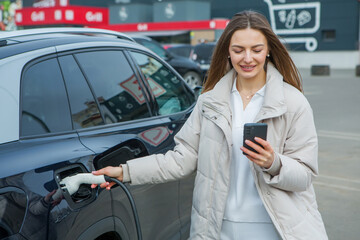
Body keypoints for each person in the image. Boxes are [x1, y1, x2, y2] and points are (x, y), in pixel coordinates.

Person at [91, 10, 328, 240]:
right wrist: (124, 172)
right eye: (238, 50)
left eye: (256, 49)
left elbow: (305, 175)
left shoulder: (293, 103)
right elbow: (180, 159)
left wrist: (273, 163)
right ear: (227, 52)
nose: (247, 58)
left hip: (274, 227)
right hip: (218, 227)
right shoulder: (209, 102)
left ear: (268, 51)